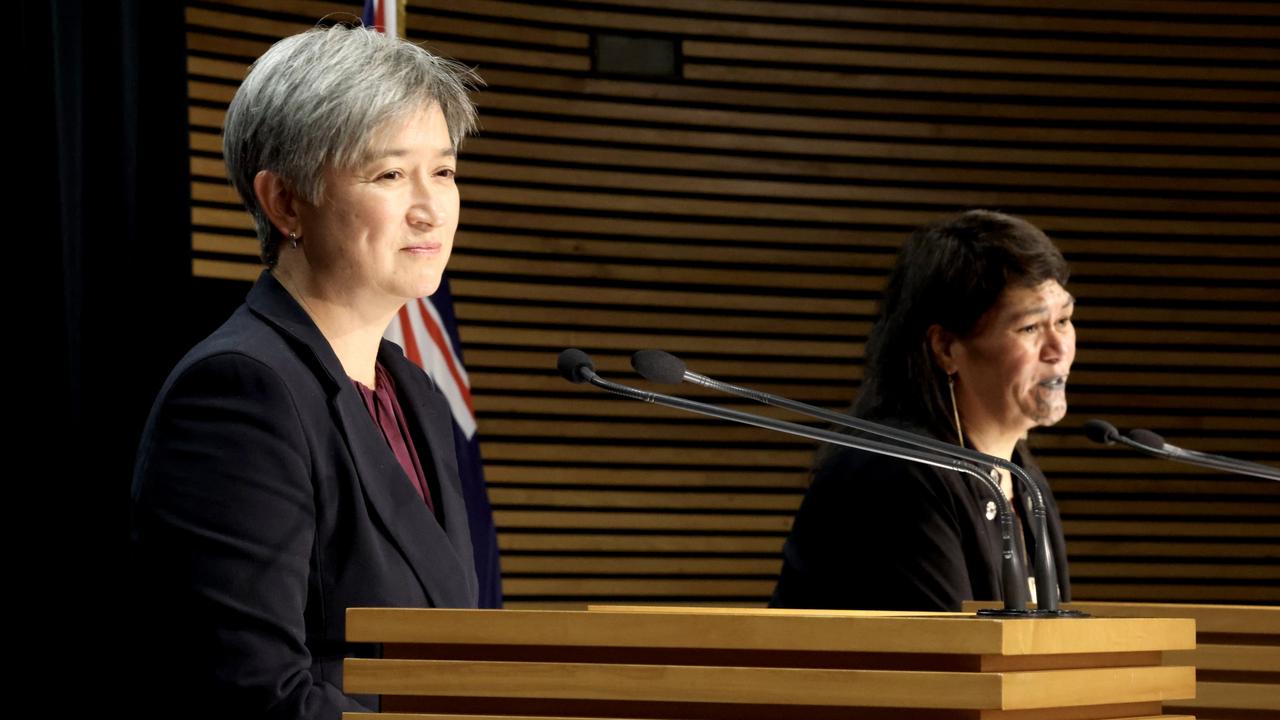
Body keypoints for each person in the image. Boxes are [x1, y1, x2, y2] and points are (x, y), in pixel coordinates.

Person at [131, 25, 482, 718]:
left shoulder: (416, 395)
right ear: (286, 202)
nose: (429, 206)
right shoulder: (240, 391)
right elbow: (252, 690)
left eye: (442, 170)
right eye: (389, 174)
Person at [771, 210, 1074, 612]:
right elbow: (951, 660)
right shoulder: (894, 472)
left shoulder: (1023, 478)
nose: (1058, 350)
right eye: (1030, 328)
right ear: (947, 348)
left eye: (1065, 320)